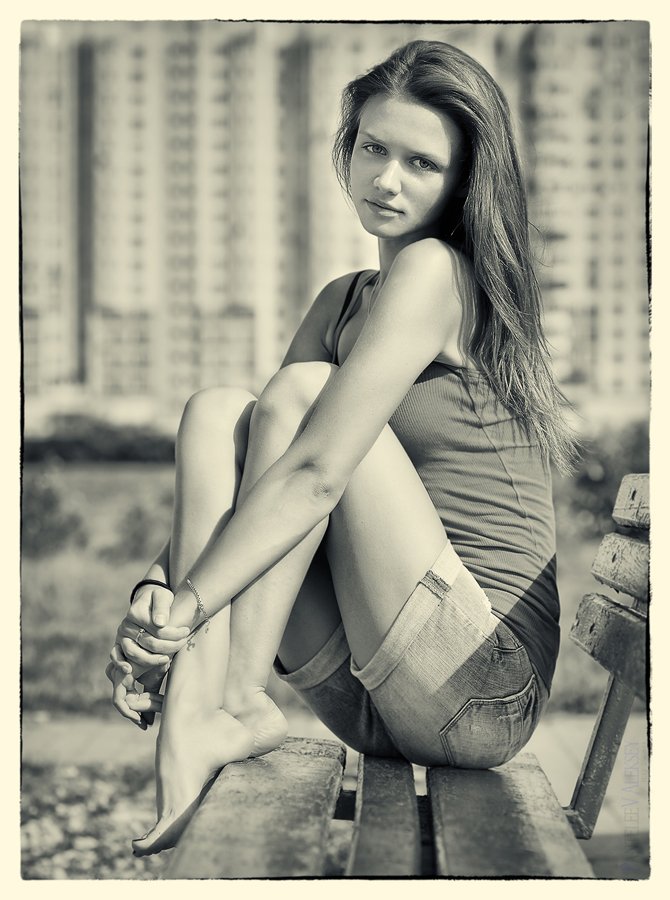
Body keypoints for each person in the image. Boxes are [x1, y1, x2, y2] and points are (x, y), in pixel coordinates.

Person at [106, 39, 576, 857]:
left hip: (482, 688)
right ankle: (209, 707)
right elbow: (260, 477)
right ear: (347, 149)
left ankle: (233, 700)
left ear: (463, 181)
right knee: (219, 414)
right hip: (373, 693)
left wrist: (188, 611)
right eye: (372, 148)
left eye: (421, 163)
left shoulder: (439, 273)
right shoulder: (342, 300)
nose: (387, 179)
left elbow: (316, 475)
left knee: (301, 395)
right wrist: (154, 595)